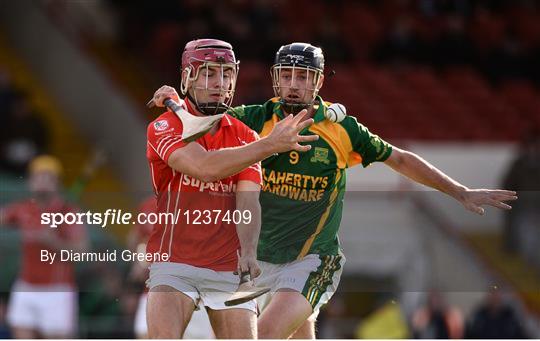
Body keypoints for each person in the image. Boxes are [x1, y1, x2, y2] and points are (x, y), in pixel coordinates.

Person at [152, 42, 517, 339]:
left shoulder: (343, 131)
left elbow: (400, 160)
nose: (295, 84)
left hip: (311, 260)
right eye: (288, 75)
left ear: (320, 81)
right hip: (257, 259)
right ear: (276, 80)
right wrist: (175, 101)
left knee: (263, 335)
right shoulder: (254, 119)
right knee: (299, 332)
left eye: (304, 76)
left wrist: (459, 191)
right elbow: (204, 119)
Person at [145, 39, 318, 339]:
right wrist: (267, 145)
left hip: (228, 269)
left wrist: (249, 251)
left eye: (226, 74)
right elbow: (205, 167)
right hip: (173, 263)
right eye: (209, 73)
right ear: (188, 77)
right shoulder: (164, 126)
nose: (220, 83)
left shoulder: (244, 137)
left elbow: (248, 203)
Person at [0, 155, 88, 338]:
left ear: (56, 182)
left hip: (57, 290)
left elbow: (81, 252)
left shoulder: (68, 212)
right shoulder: (23, 209)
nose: (41, 181)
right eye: (37, 176)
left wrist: (53, 242)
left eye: (47, 177)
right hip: (26, 286)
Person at [128, 197, 214, 339]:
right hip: (154, 289)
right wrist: (140, 260)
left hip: (194, 292)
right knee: (145, 334)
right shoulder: (148, 206)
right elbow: (137, 240)